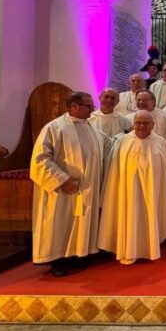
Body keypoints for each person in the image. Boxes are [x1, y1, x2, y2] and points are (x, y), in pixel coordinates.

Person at [30, 92, 108, 277]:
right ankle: (58, 261)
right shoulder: (54, 128)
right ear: (74, 106)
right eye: (89, 106)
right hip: (62, 189)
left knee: (81, 222)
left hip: (86, 188)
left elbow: (109, 145)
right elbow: (40, 159)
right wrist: (61, 179)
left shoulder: (92, 127)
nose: (92, 109)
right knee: (59, 224)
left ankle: (78, 255)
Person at [98, 111, 166, 264]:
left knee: (150, 217)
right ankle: (128, 251)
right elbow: (113, 172)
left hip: (153, 193)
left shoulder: (161, 143)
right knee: (129, 218)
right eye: (138, 123)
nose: (141, 126)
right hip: (127, 194)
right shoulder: (122, 142)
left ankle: (150, 250)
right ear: (133, 124)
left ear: (153, 125)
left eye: (146, 123)